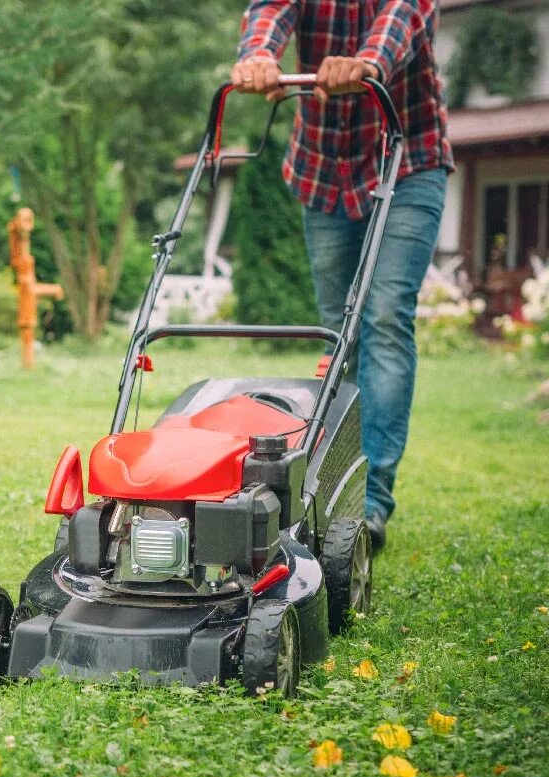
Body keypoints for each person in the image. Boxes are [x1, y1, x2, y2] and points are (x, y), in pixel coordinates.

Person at [231, 1, 453, 551]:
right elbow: (273, 8)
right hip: (324, 166)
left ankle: (373, 499)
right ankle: (334, 490)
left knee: (384, 315)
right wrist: (259, 55)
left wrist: (365, 63)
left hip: (409, 161)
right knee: (339, 331)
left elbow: (403, 16)